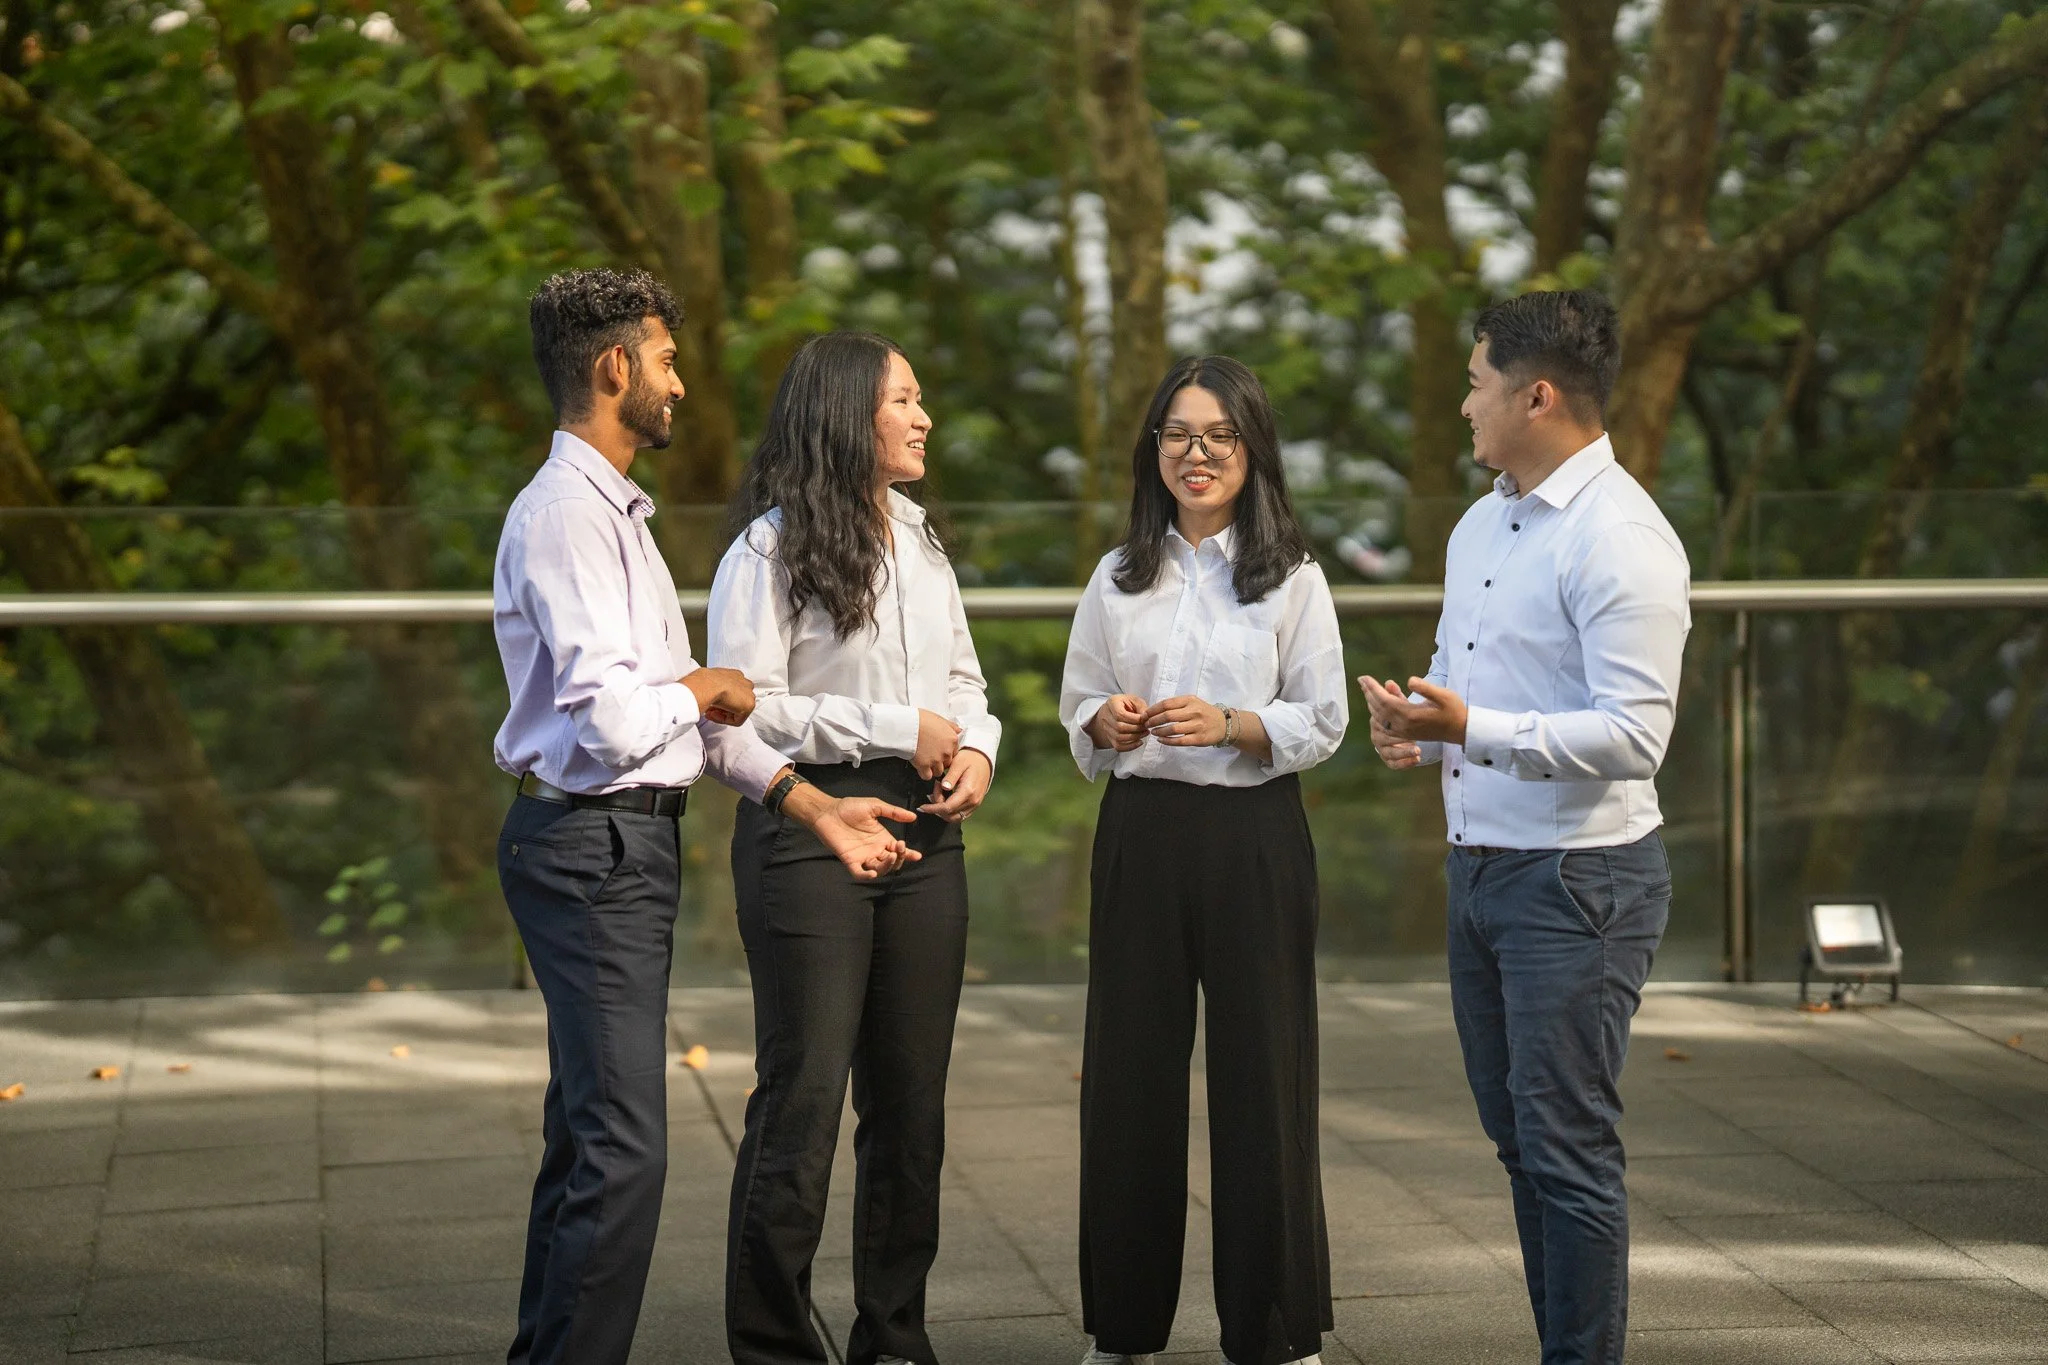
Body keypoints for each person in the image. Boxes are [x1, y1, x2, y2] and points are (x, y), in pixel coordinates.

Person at [493, 269, 925, 1365]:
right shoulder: (565, 522)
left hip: (623, 841)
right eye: (666, 360)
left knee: (587, 1134)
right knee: (622, 1147)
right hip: (590, 843)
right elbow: (619, 723)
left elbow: (707, 717)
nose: (678, 382)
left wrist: (813, 804)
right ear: (612, 369)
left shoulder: (616, 516)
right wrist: (705, 689)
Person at [1360, 289, 1691, 1365]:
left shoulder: (1624, 540)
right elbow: (1468, 685)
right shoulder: (1479, 521)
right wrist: (1425, 731)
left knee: (1566, 1151)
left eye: (1473, 384)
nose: (1463, 405)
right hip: (1481, 872)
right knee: (1519, 1147)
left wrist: (1476, 725)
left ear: (1533, 394)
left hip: (1577, 884)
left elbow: (1633, 736)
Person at [711, 332, 999, 1365]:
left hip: (928, 830)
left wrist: (976, 751)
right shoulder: (764, 551)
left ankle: (894, 1338)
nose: (924, 419)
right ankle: (774, 1345)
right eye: (904, 401)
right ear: (844, 415)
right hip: (810, 833)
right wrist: (894, 729)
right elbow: (738, 719)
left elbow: (963, 683)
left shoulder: (920, 540)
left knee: (910, 1108)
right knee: (802, 1102)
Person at [1060, 355, 1346, 1365]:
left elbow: (1323, 719)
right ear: (1153, 450)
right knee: (1128, 1082)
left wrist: (1232, 723)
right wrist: (1106, 721)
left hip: (1253, 837)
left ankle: (1274, 1330)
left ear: (1250, 450)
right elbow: (1076, 713)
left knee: (1262, 1078)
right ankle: (1124, 1329)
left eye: (1217, 436)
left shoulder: (1293, 577)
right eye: (1176, 435)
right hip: (1141, 839)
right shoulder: (1116, 575)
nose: (1194, 453)